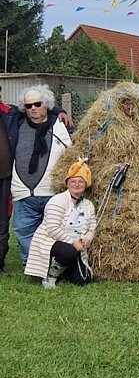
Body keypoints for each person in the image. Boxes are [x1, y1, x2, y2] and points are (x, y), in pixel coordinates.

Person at [11, 85, 72, 267]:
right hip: (23, 193)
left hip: (51, 191)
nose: (33, 109)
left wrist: (58, 110)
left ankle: (52, 264)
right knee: (24, 230)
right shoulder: (17, 123)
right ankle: (30, 265)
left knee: (54, 231)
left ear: (47, 105)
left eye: (38, 104)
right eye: (29, 106)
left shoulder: (61, 124)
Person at [24, 159, 96, 288]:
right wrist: (73, 242)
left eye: (81, 181)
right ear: (67, 184)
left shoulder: (88, 205)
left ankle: (63, 270)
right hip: (51, 241)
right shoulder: (57, 201)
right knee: (69, 251)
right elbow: (52, 229)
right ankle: (50, 276)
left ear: (86, 184)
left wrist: (87, 239)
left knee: (83, 280)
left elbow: (91, 226)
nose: (77, 184)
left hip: (76, 245)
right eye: (73, 181)